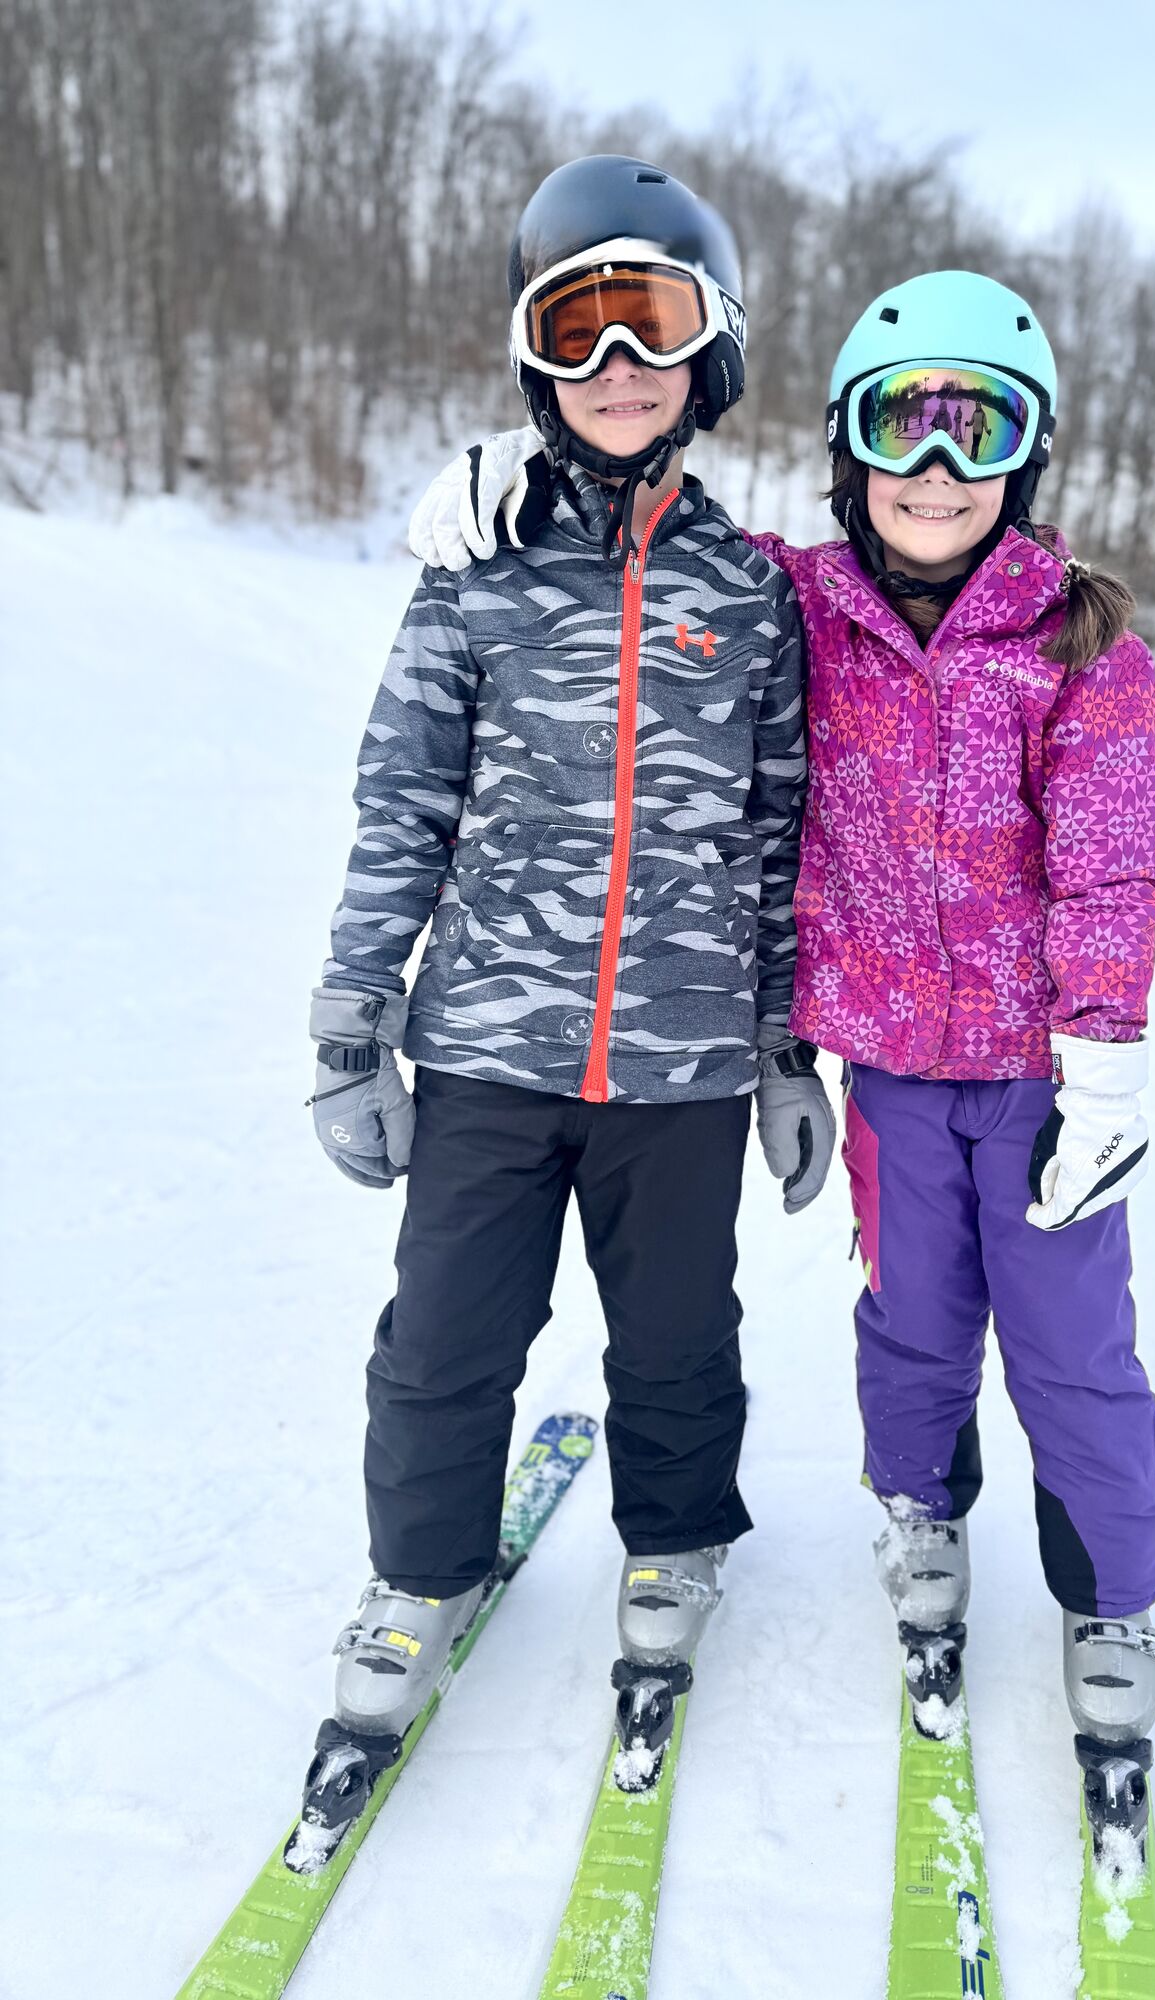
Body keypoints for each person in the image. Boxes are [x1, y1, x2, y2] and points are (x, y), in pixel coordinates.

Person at [410, 269, 1155, 1777]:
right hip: (885, 1068)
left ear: (1025, 454)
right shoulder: (798, 601)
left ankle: (1112, 1601)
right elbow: (655, 554)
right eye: (906, 428)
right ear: (851, 446)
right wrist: (532, 482)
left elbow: (1108, 861)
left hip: (1036, 1080)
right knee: (910, 1327)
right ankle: (921, 1515)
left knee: (1074, 1347)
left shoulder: (1081, 649)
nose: (939, 471)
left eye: (978, 432)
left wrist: (1107, 1064)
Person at [298, 155, 834, 1842]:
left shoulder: (750, 597)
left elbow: (780, 832)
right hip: (486, 1049)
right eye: (577, 327)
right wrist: (346, 1020)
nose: (617, 364)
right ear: (536, 359)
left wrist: (780, 1046)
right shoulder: (477, 572)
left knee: (678, 1342)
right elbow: (403, 805)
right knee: (447, 1342)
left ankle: (676, 1547)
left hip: (678, 1065)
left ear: (713, 353)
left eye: (653, 323)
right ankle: (419, 1573)